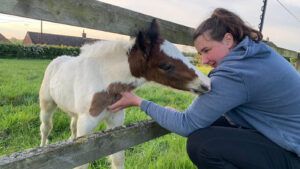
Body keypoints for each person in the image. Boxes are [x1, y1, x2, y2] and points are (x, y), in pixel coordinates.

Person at [108, 8, 300, 169]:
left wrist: (138, 101)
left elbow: (186, 125)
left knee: (201, 145)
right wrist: (182, 116)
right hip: (284, 137)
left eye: (206, 50)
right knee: (210, 122)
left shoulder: (236, 72)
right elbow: (203, 114)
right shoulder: (254, 53)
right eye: (200, 54)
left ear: (227, 39)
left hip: (293, 153)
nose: (204, 61)